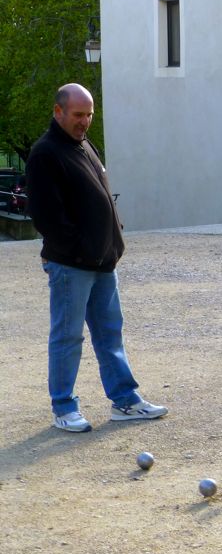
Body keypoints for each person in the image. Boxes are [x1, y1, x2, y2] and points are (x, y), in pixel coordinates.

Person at [25, 83, 168, 433]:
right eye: (78, 115)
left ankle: (125, 401)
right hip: (71, 265)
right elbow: (47, 217)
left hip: (103, 263)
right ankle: (63, 407)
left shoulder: (85, 145)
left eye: (89, 114)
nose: (85, 121)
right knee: (68, 336)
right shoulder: (45, 153)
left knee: (109, 334)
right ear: (58, 112)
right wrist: (81, 249)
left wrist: (112, 243)